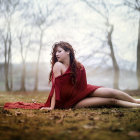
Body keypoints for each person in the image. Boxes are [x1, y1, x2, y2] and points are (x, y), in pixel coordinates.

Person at [4, 41, 140, 110]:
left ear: (68, 52)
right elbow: (56, 88)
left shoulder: (77, 64)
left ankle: (135, 101)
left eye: (60, 51)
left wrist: (86, 90)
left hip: (83, 90)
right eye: (55, 52)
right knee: (112, 101)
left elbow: (82, 82)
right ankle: (136, 107)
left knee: (113, 92)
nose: (56, 54)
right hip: (70, 101)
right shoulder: (58, 66)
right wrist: (52, 107)